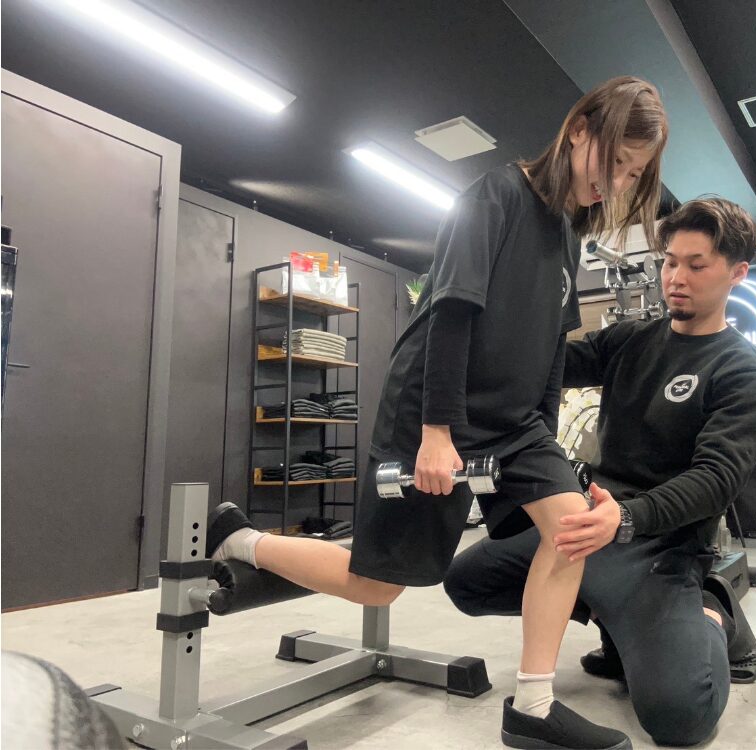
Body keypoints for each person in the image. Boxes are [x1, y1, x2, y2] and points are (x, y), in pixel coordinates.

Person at [208, 76, 668, 749]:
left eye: (632, 174)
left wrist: (545, 445)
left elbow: (551, 349)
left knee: (573, 527)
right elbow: (452, 316)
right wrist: (435, 434)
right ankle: (241, 540)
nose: (617, 183)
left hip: (515, 426)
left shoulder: (568, 235)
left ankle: (533, 707)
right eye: (616, 161)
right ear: (579, 130)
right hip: (433, 411)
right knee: (376, 587)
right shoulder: (495, 196)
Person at [443, 197, 756, 746]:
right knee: (466, 583)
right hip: (588, 521)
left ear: (737, 273)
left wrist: (626, 516)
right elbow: (551, 365)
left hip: (659, 546)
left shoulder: (745, 373)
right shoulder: (633, 340)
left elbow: (715, 480)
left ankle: (713, 610)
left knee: (680, 719)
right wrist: (497, 317)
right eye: (670, 262)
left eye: (696, 265)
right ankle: (615, 621)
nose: (676, 278)